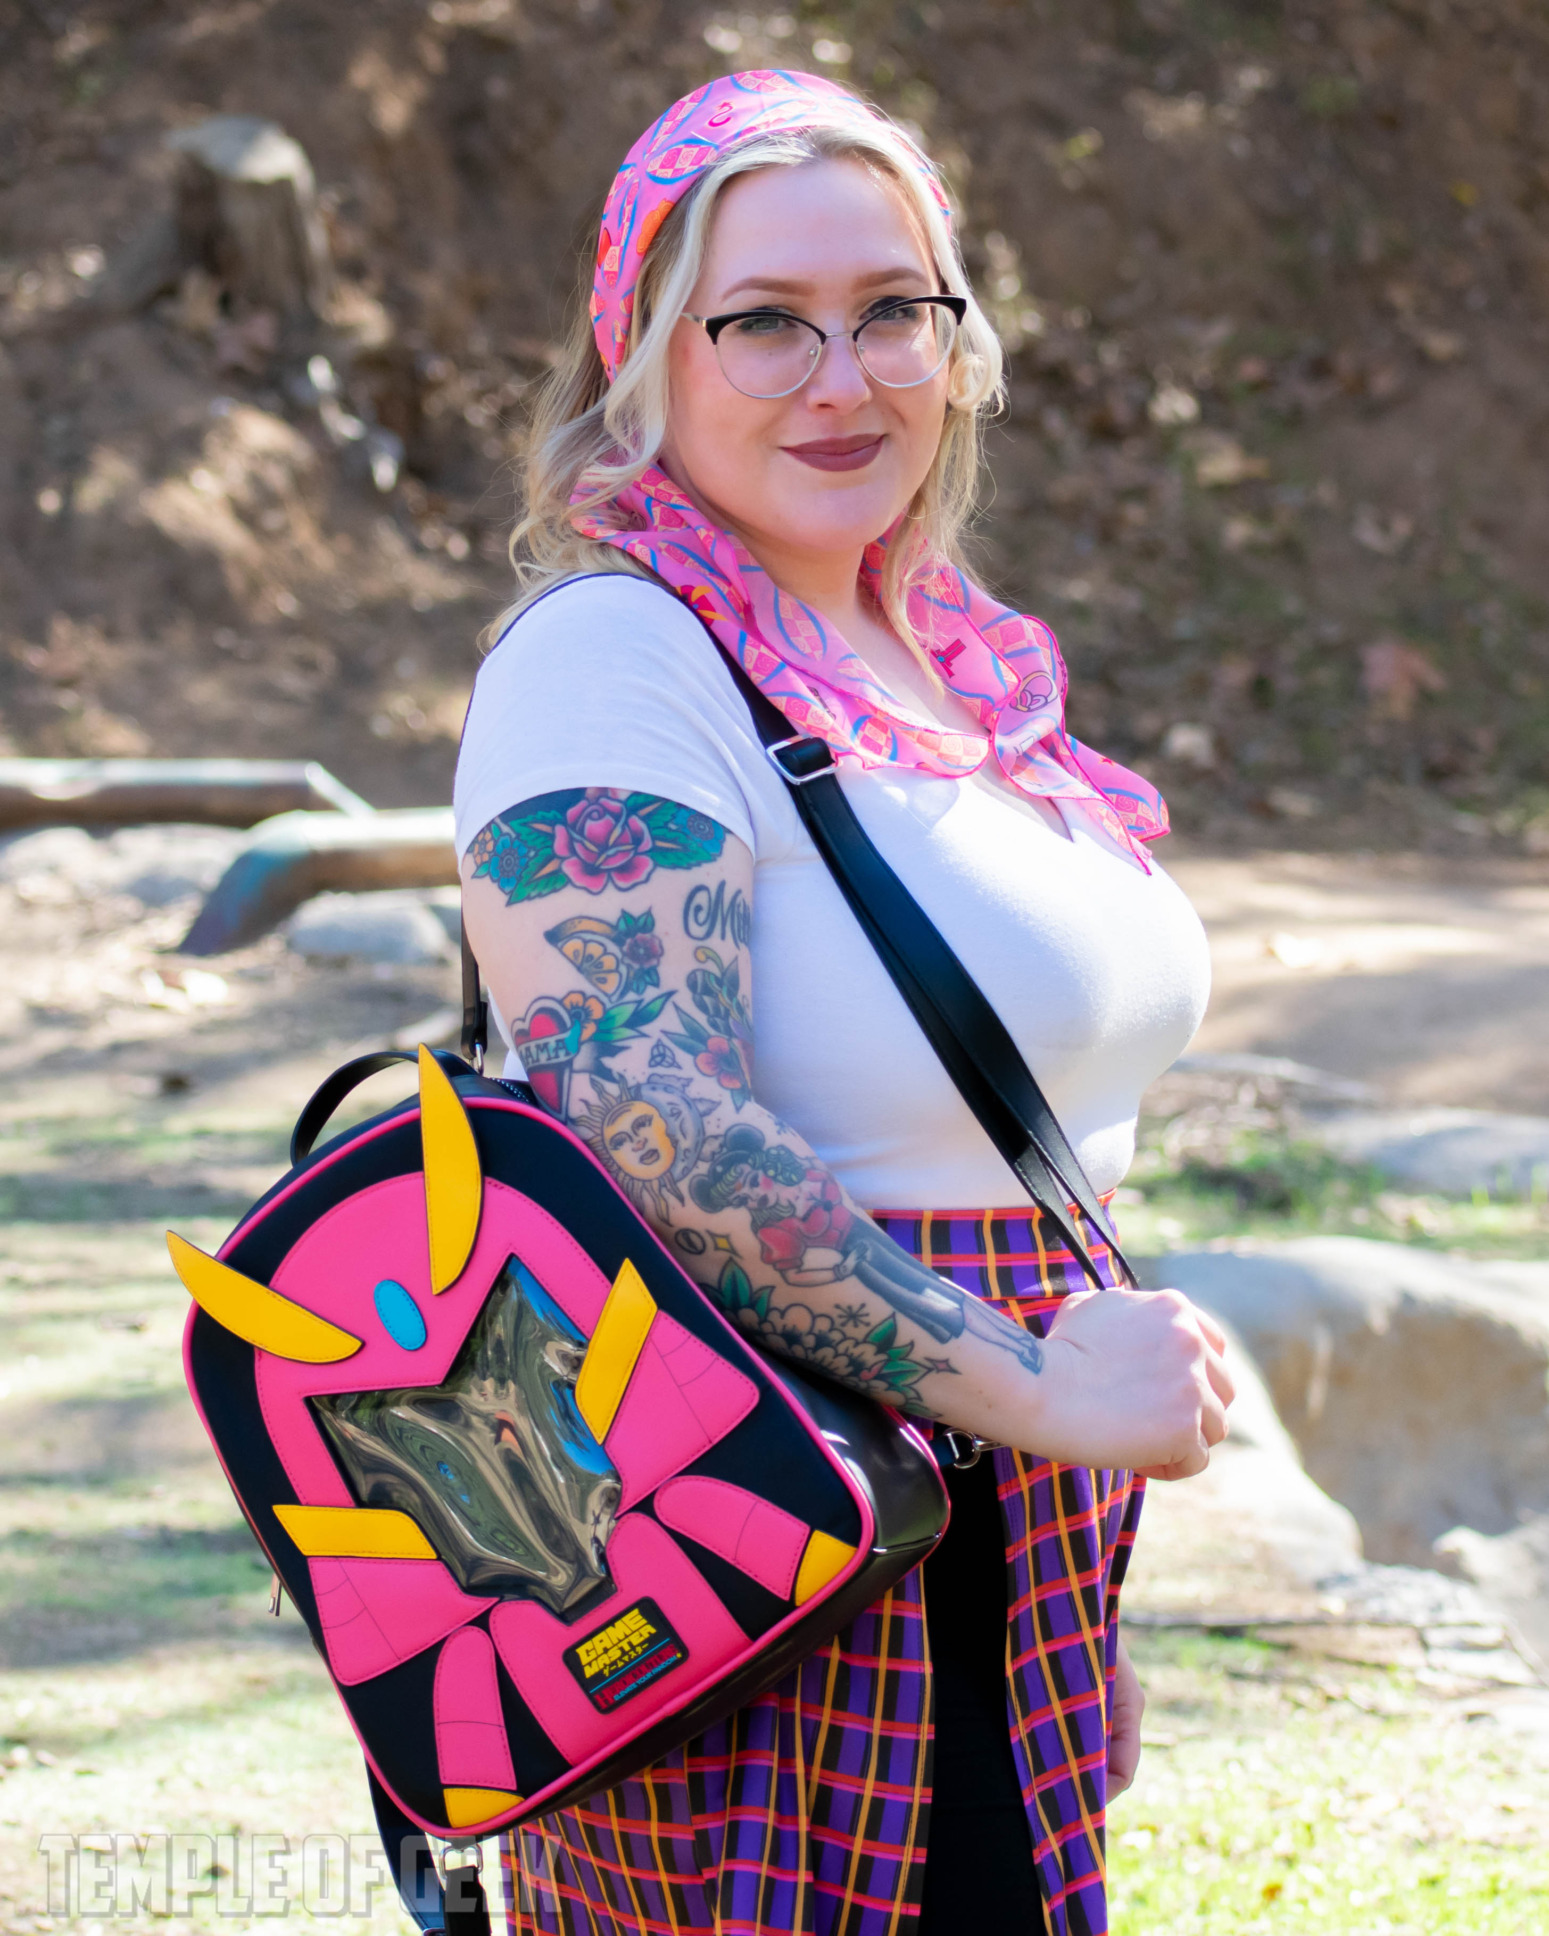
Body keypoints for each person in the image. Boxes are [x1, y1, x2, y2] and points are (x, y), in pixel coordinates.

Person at [457, 68, 1233, 1936]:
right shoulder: (616, 659)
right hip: (772, 1526)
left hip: (994, 1534)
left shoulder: (939, 659)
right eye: (763, 322)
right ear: (644, 350)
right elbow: (655, 1133)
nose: (842, 374)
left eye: (895, 309)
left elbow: (1003, 1119)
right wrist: (1041, 1387)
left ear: (958, 345)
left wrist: (1065, 1574)